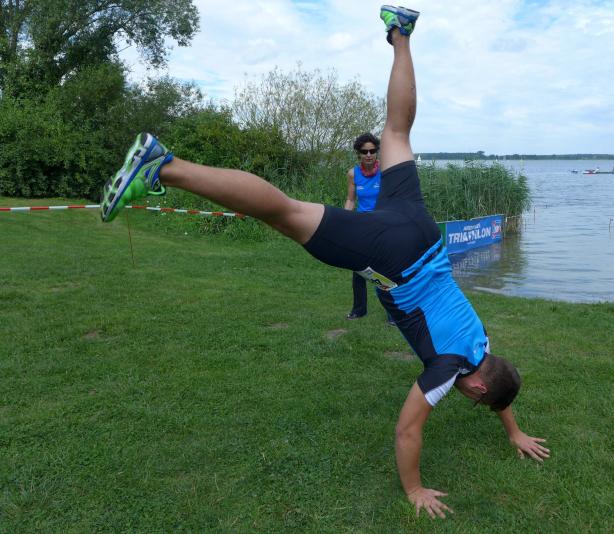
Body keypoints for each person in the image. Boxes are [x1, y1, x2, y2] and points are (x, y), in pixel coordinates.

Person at [99, 5, 549, 519]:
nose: (467, 399)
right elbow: (408, 430)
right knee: (287, 214)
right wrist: (414, 491)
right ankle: (165, 166)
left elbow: (498, 381)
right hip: (396, 257)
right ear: (476, 384)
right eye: (474, 399)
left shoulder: (481, 343)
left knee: (396, 134)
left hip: (423, 235)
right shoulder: (448, 368)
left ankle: (401, 33)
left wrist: (513, 430)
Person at [344, 133, 394, 325]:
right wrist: (344, 220)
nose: (369, 155)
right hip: (361, 226)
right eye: (364, 151)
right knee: (358, 269)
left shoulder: (386, 171)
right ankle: (359, 310)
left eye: (372, 151)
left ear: (376, 152)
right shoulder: (352, 174)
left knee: (384, 270)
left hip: (382, 225)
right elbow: (351, 200)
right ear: (359, 153)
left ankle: (392, 314)